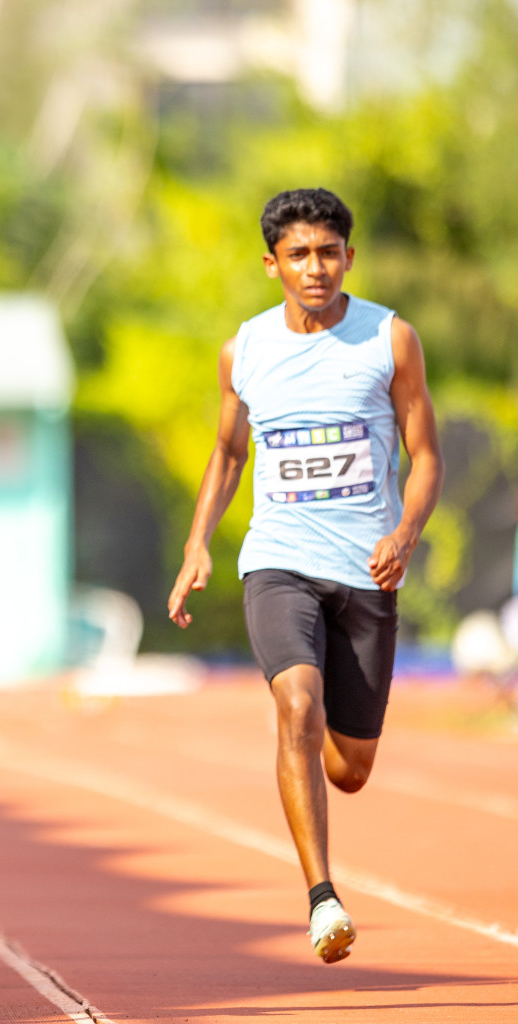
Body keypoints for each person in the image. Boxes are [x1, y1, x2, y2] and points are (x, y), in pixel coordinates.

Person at [167, 189, 443, 963]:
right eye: (298, 255)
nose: (314, 268)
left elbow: (426, 457)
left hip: (366, 568)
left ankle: (318, 742)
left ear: (349, 257)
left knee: (349, 768)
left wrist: (406, 530)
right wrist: (198, 546)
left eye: (328, 252)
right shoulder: (244, 350)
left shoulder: (390, 340)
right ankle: (322, 897)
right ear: (272, 264)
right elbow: (228, 454)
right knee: (297, 701)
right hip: (278, 560)